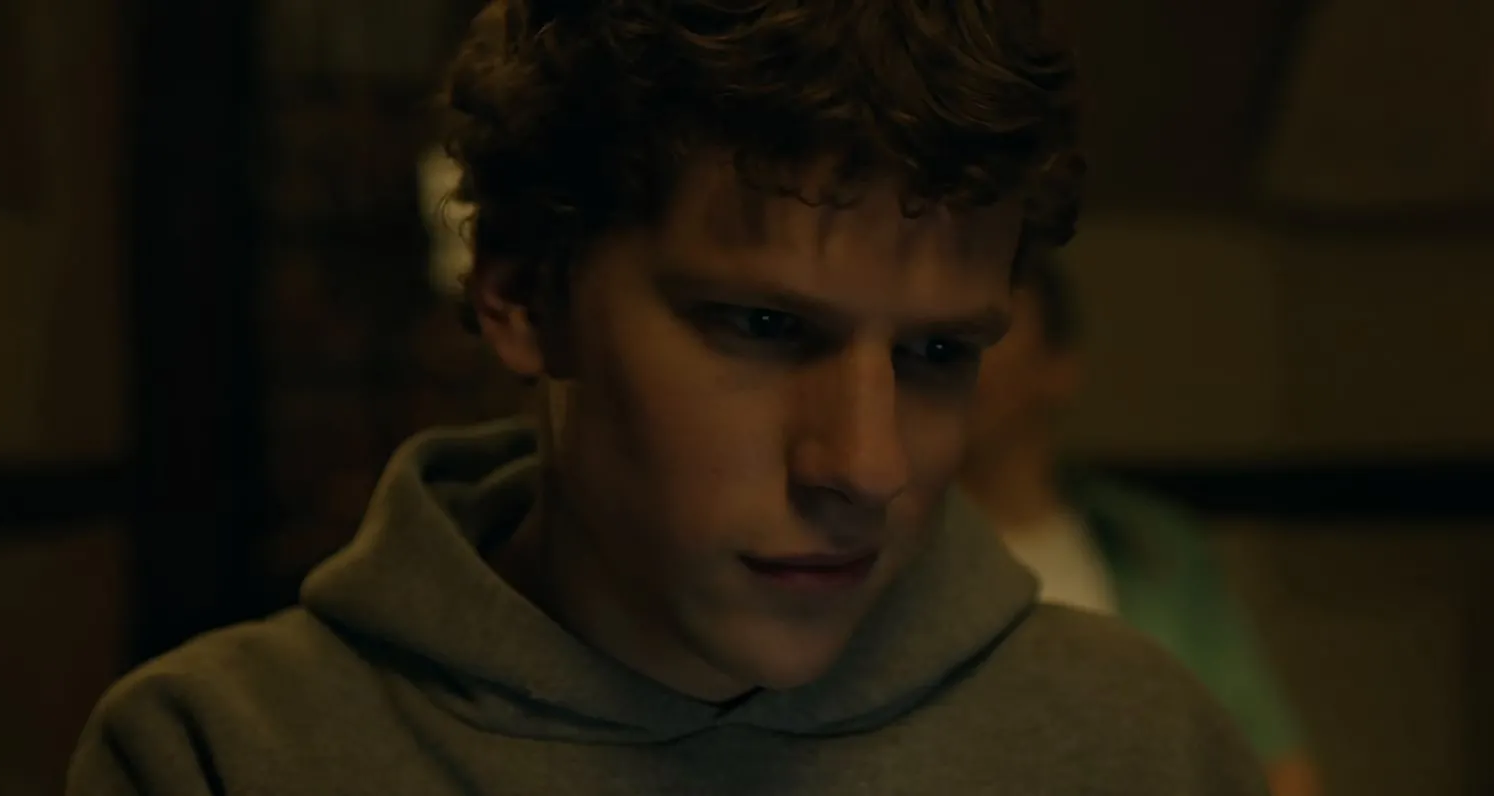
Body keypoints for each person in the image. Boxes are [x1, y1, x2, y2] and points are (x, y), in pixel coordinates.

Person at [67, 1, 1267, 793]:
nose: (865, 465)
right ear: (523, 291)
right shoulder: (225, 756)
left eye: (938, 354)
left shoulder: (1141, 749)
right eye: (763, 326)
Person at [955, 251, 1321, 796]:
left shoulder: (1151, 547)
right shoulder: (892, 554)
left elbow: (1274, 760)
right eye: (943, 341)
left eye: (994, 332)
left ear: (1058, 368)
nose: (969, 359)